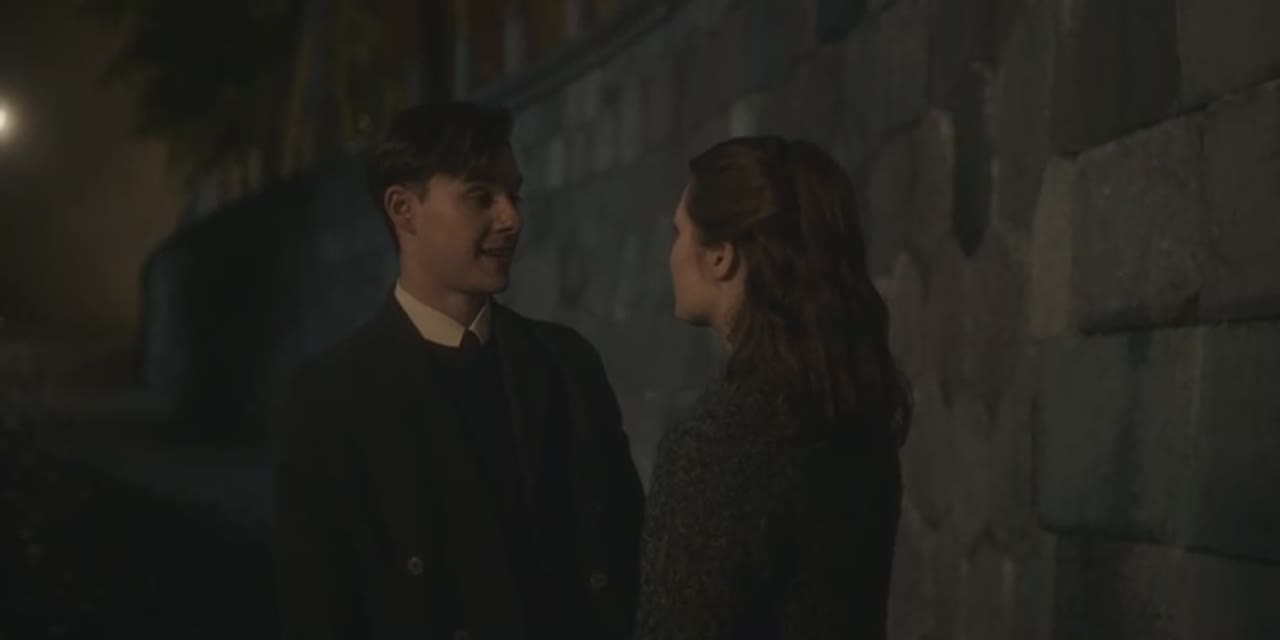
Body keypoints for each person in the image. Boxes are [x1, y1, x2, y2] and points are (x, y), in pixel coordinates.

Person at [273, 101, 645, 640]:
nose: (511, 218)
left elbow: (626, 555)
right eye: (480, 197)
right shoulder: (330, 398)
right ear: (404, 209)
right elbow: (318, 613)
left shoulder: (566, 365)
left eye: (514, 195)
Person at [635, 136, 912, 638]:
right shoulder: (858, 414)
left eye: (679, 232)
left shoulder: (717, 443)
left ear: (720, 256)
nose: (672, 253)